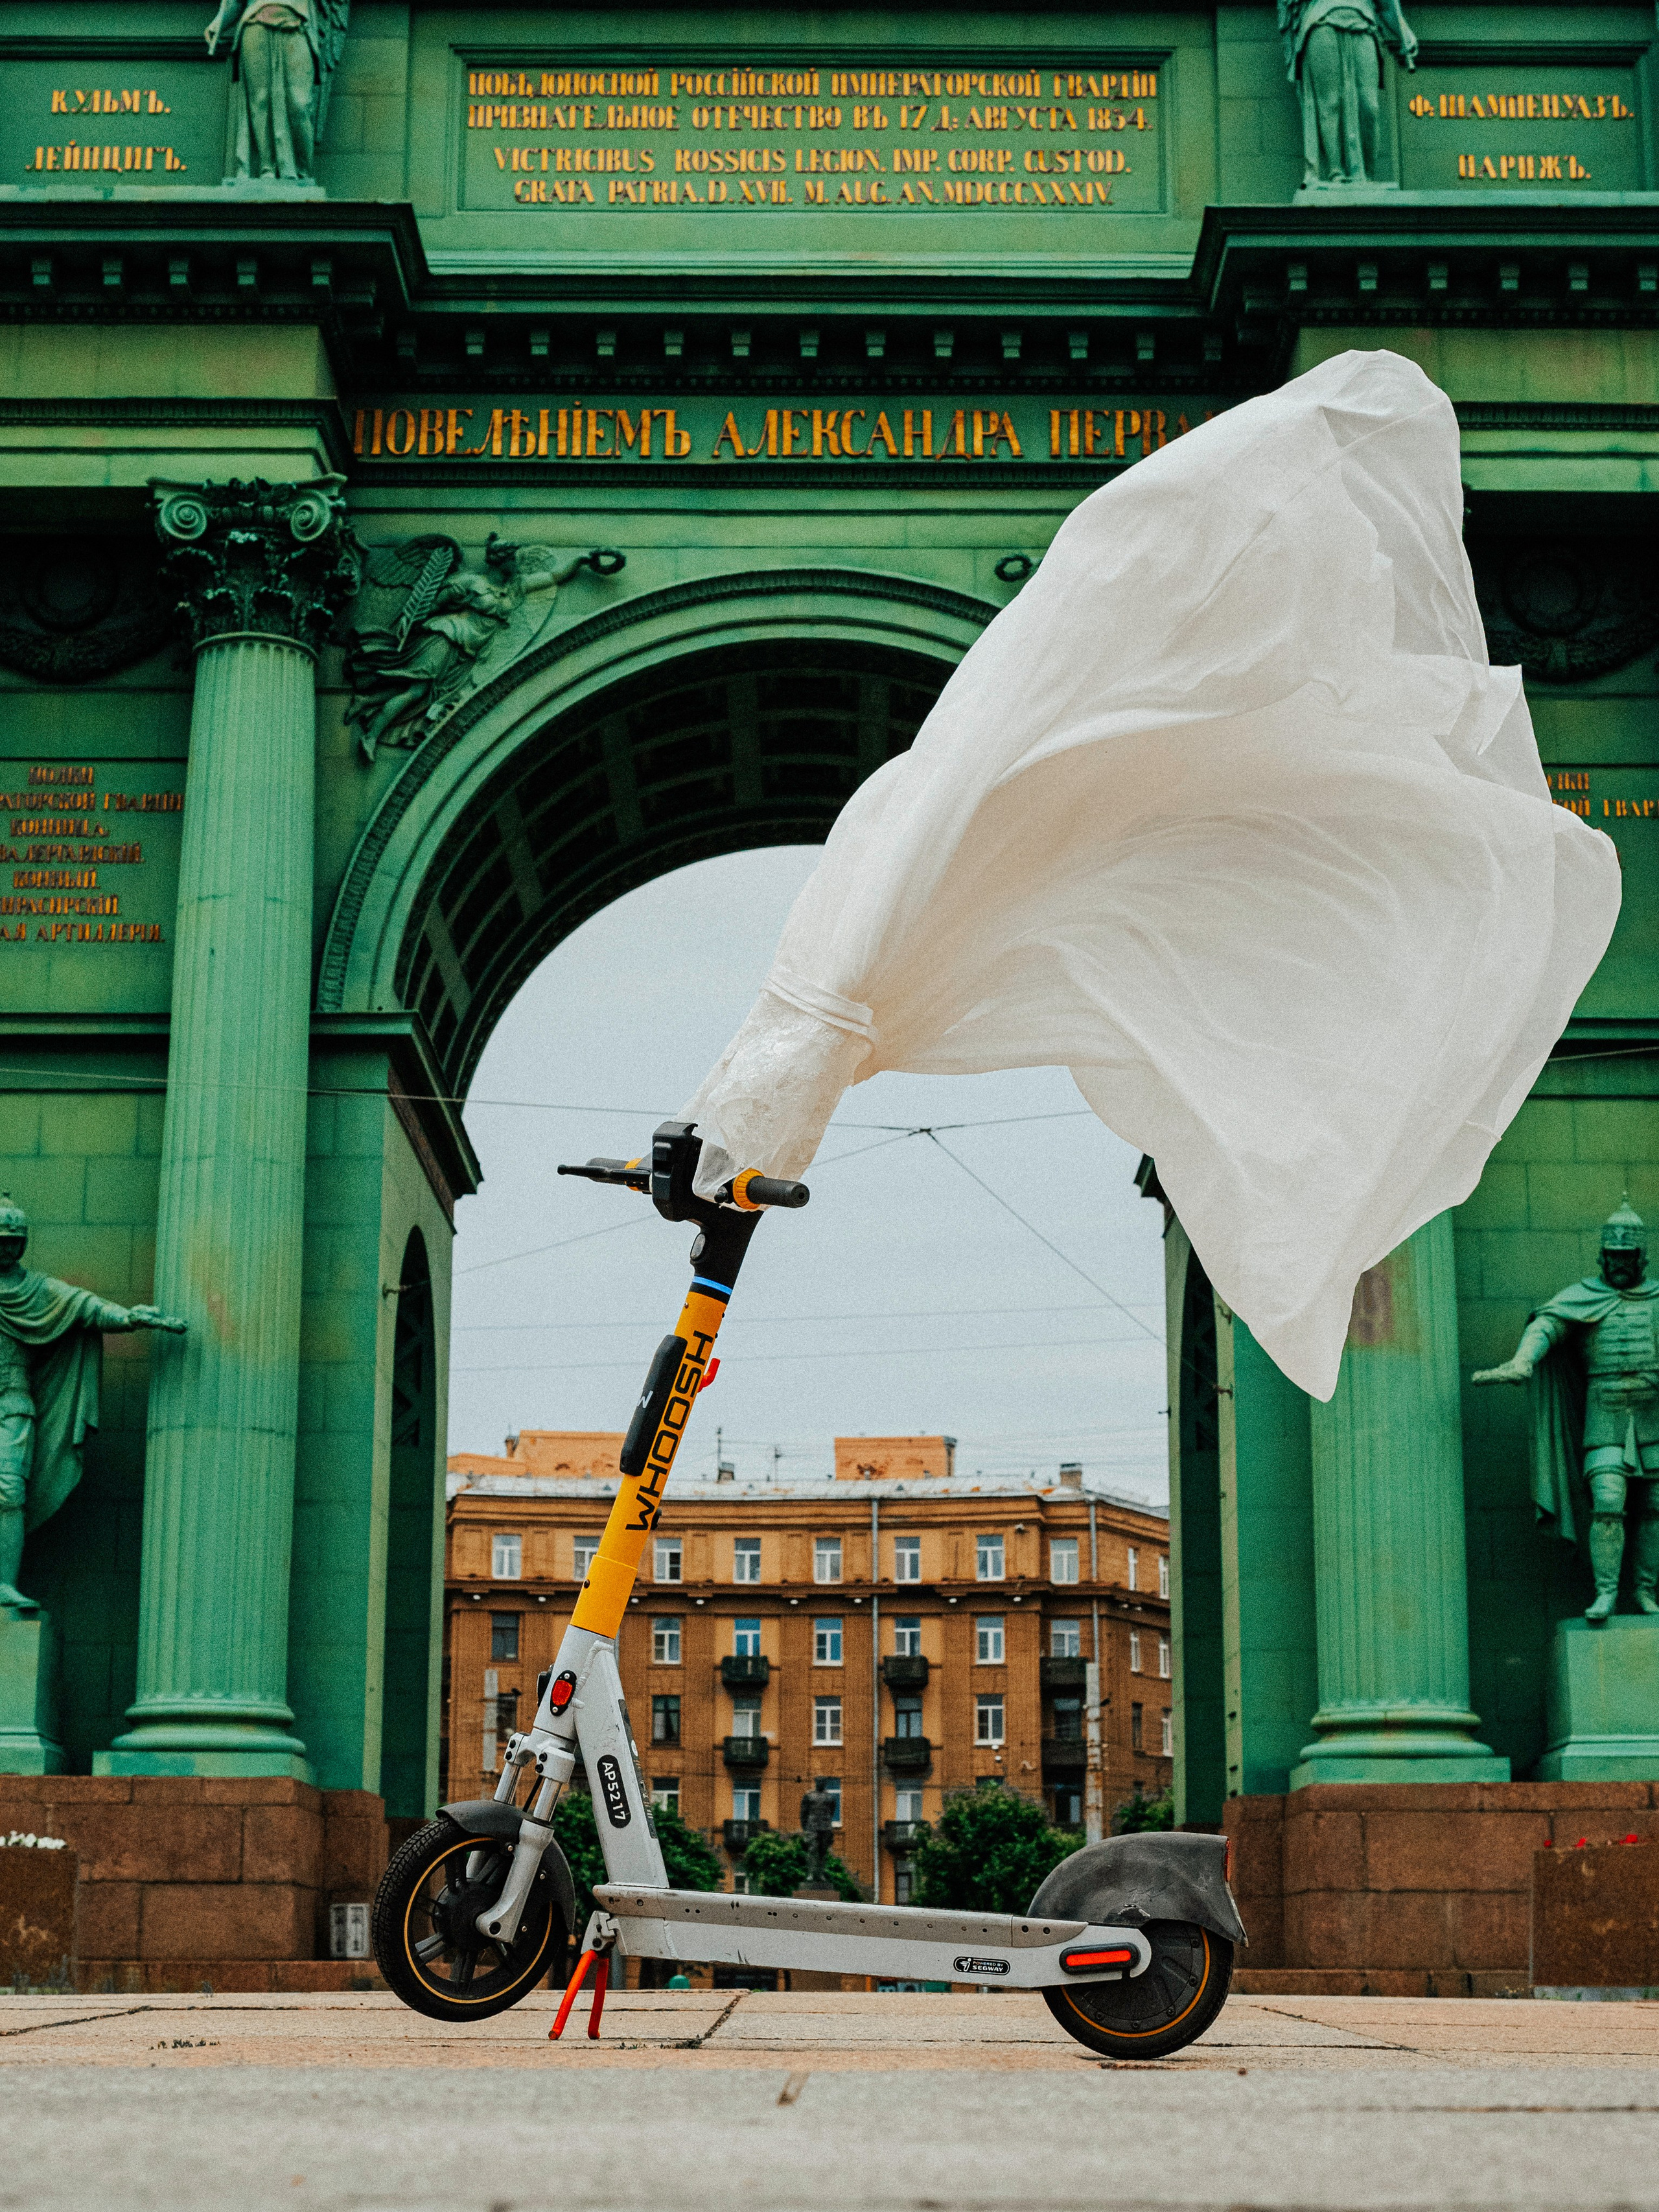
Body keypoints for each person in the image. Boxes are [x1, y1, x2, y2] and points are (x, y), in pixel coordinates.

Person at [1474, 1201, 1659, 1621]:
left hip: (1653, 1418)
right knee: (1609, 1500)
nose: (1619, 1264)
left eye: (1627, 1257)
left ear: (1642, 1258)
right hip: (1604, 1416)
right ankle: (1607, 1593)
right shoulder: (1584, 1297)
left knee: (1654, 1506)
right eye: (1612, 1256)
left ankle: (1646, 1590)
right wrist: (1524, 1360)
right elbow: (1547, 1324)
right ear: (1601, 1256)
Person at [0, 1193, 184, 1614]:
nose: (6, 1247)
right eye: (0, 1240)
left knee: (9, 1492)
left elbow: (83, 1306)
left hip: (12, 1405)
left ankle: (3, 1583)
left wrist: (129, 1317)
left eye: (13, 1240)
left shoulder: (35, 1290)